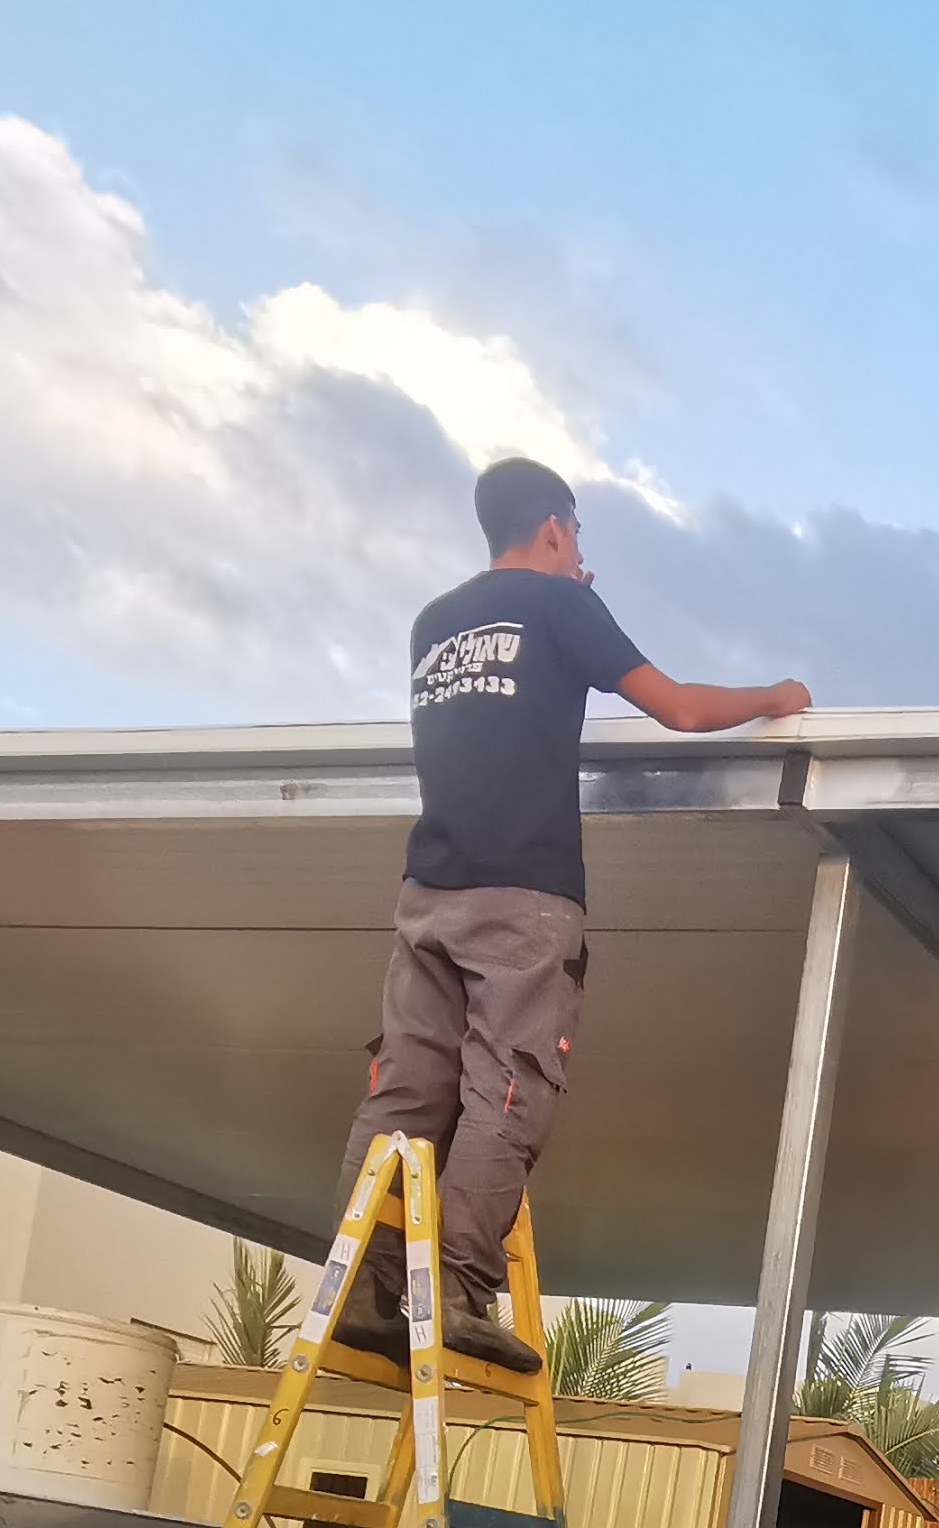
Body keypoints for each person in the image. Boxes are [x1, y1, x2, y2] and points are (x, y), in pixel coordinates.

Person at [336, 455, 810, 1372]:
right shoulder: (561, 607)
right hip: (522, 896)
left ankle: (363, 1291)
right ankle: (455, 1296)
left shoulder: (435, 622)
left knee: (406, 1093)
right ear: (556, 527)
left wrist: (566, 604)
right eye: (577, 532)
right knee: (508, 1089)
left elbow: (507, 687)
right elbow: (678, 709)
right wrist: (776, 697)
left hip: (428, 894)